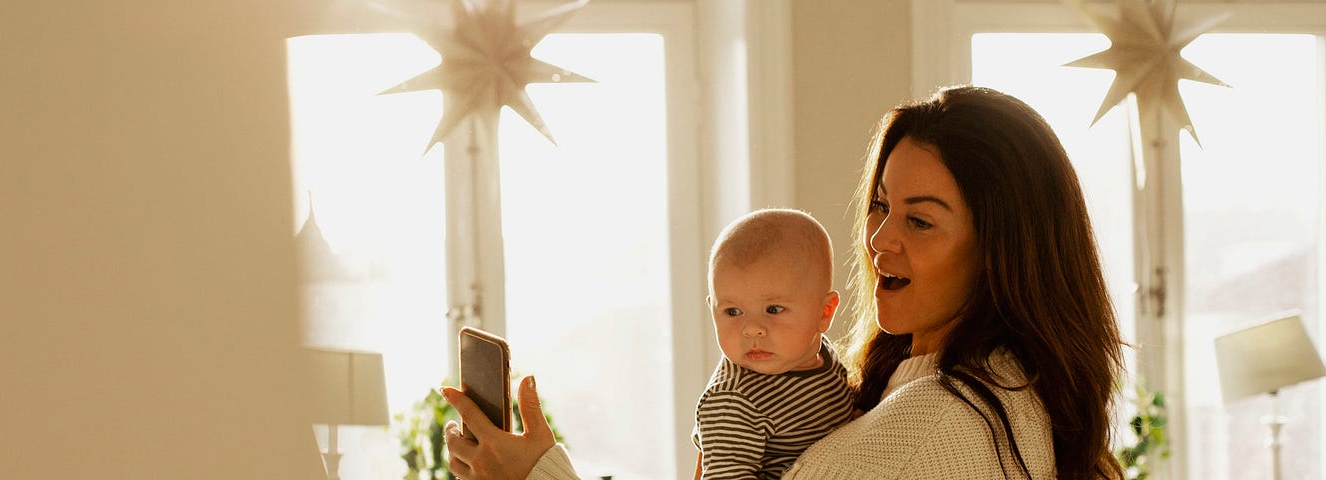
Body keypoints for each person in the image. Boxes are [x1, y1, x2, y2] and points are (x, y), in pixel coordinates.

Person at [438, 85, 1125, 480]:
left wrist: (532, 477)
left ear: (1003, 251)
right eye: (882, 204)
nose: (880, 238)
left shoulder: (936, 423)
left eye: (921, 221)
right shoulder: (979, 391)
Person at [691, 209, 852, 480]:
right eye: (732, 312)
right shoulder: (734, 401)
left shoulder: (824, 353)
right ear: (712, 309)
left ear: (824, 313)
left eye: (774, 309)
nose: (752, 329)